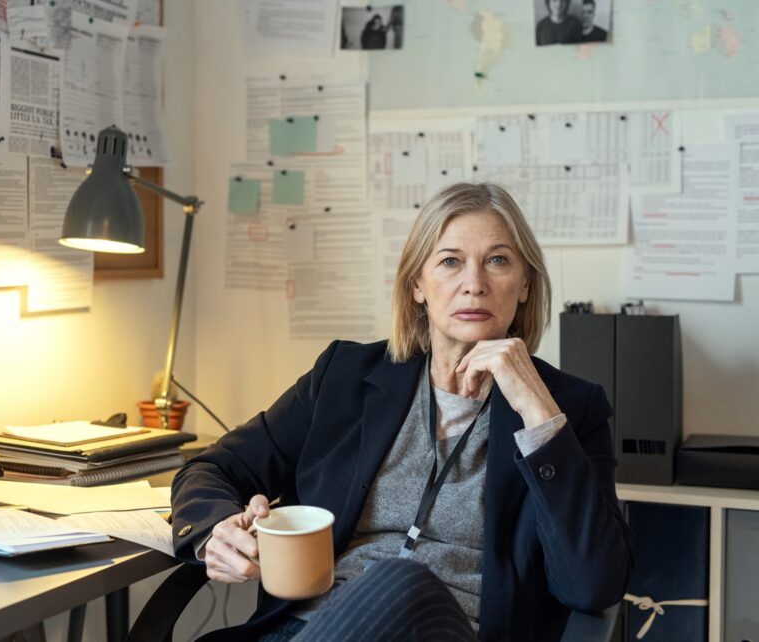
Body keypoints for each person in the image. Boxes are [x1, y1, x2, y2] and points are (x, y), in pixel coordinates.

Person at [170, 182, 632, 641]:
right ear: (417, 285)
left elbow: (592, 585)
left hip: (449, 630)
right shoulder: (344, 376)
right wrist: (216, 532)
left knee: (399, 581)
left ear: (526, 284)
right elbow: (213, 467)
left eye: (497, 260)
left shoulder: (568, 409)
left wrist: (539, 415)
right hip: (307, 627)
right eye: (450, 261)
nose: (474, 284)